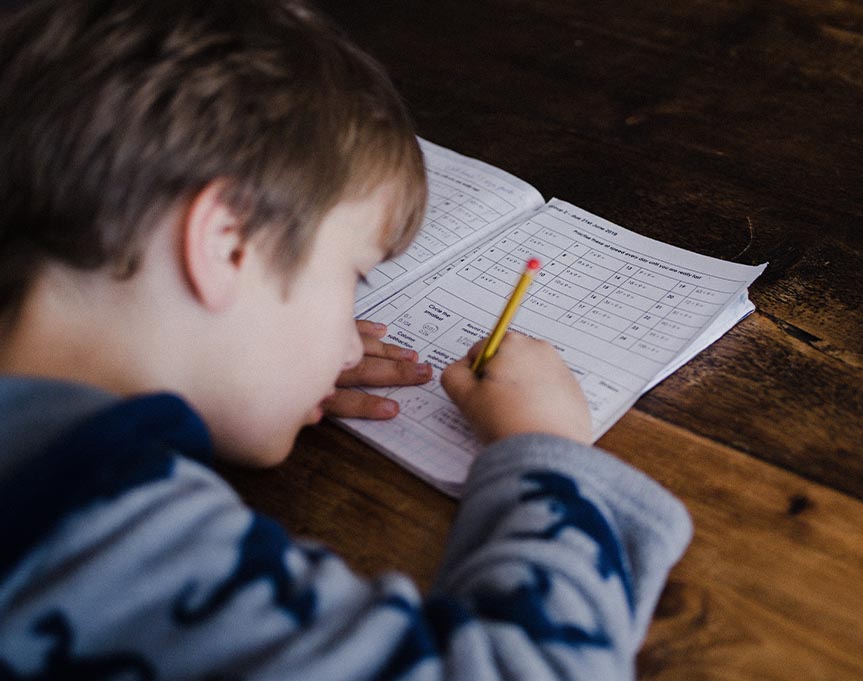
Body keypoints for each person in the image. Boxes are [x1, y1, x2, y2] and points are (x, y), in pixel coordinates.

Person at [0, 1, 692, 679]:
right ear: (228, 244)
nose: (353, 347)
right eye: (353, 276)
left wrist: (242, 369)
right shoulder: (101, 537)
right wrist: (546, 450)